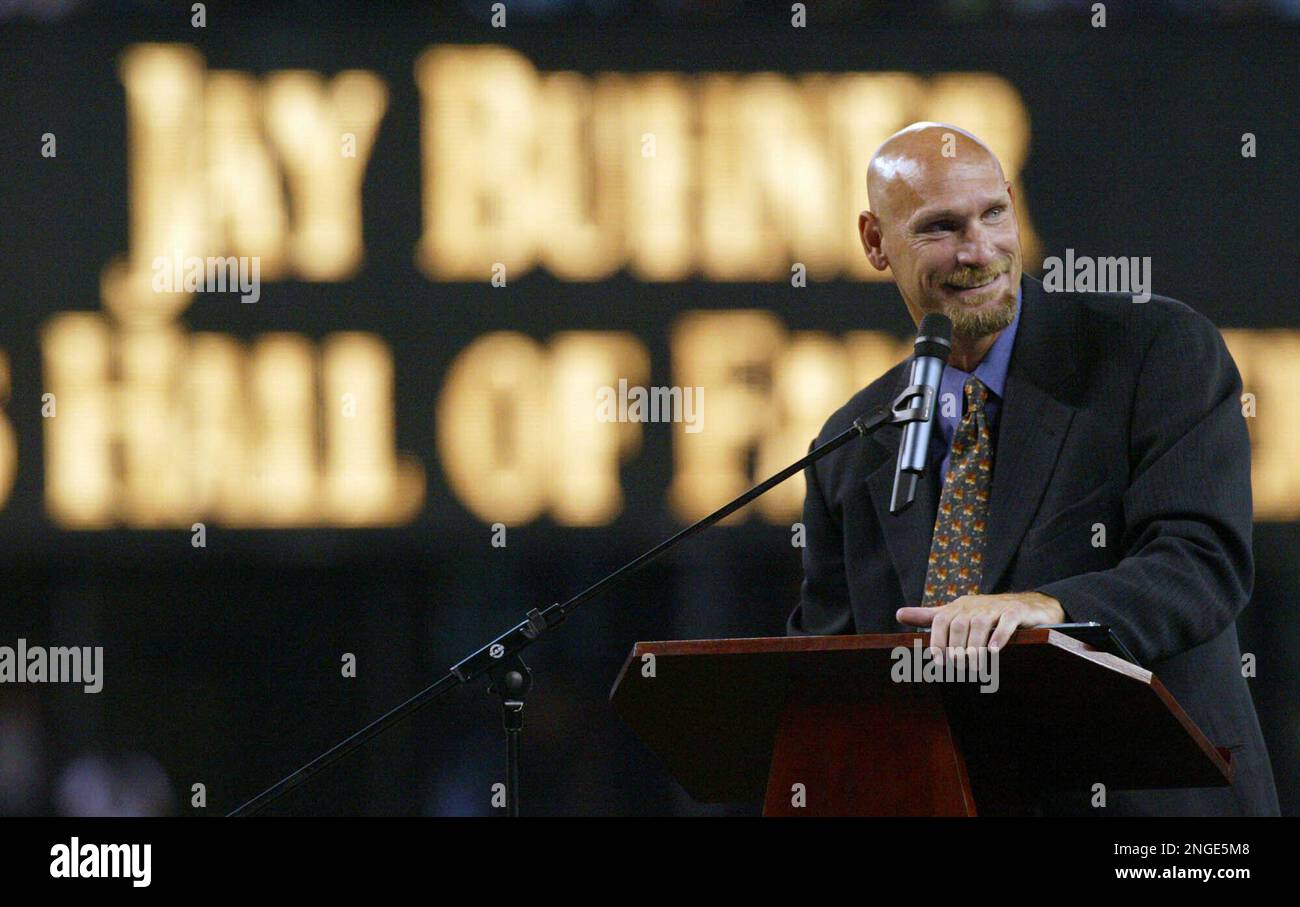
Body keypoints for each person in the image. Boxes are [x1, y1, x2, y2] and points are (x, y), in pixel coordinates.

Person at [787, 122, 1279, 816]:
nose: (979, 250)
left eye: (993, 212)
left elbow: (1202, 564)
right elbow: (830, 671)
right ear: (875, 242)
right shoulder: (852, 442)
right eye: (941, 227)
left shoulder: (1152, 354)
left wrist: (1048, 610)